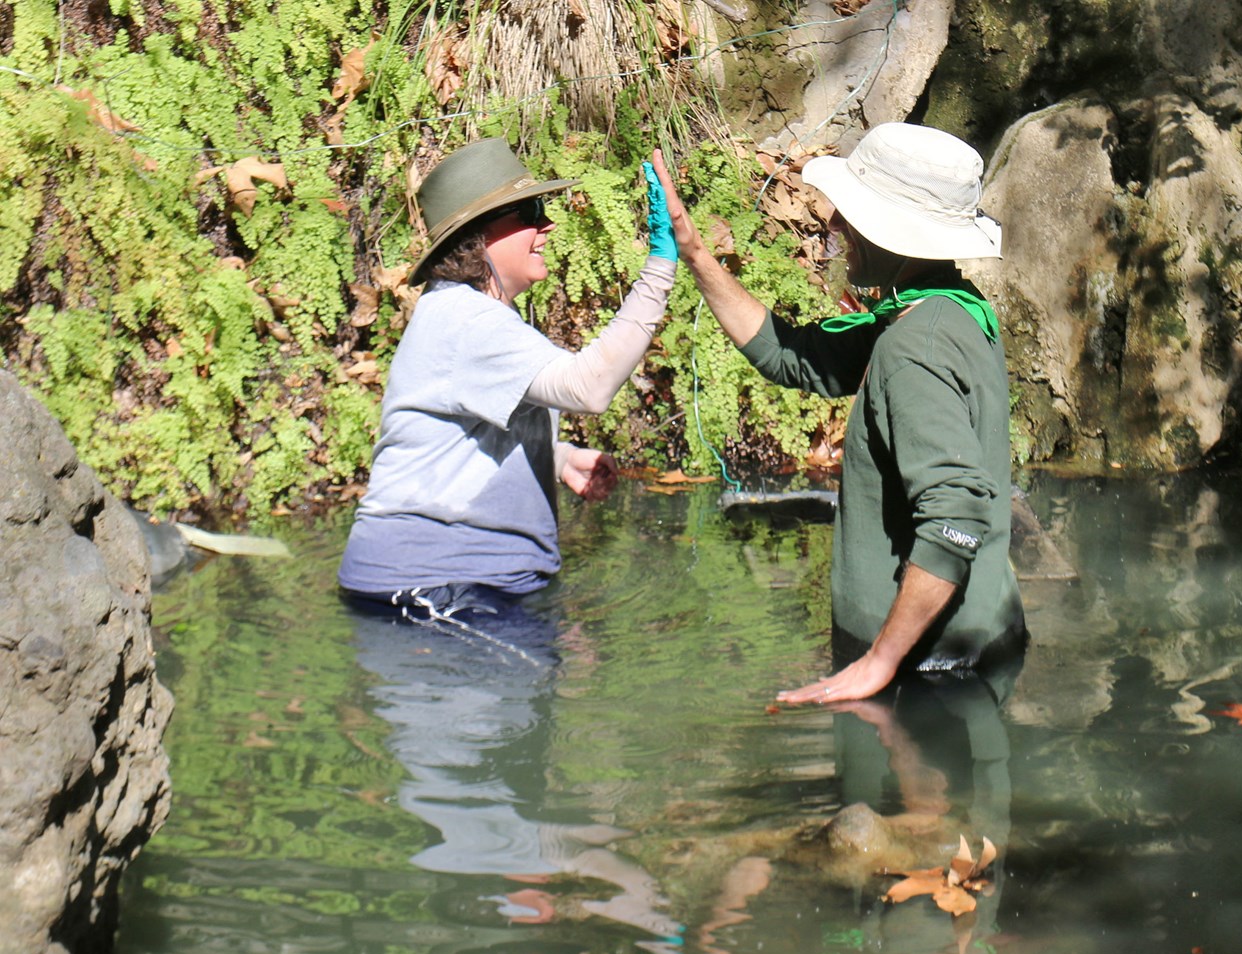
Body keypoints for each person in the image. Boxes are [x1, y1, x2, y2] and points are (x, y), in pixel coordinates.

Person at [651, 122, 1026, 703]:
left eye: (848, 214)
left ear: (890, 234)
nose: (833, 226)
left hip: (925, 676)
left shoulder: (912, 349)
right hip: (977, 643)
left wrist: (880, 661)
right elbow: (791, 357)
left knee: (915, 802)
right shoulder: (949, 309)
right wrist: (695, 253)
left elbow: (955, 517)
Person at [339, 138, 677, 617]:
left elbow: (461, 438)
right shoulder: (467, 320)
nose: (547, 225)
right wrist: (662, 263)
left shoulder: (473, 315)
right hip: (432, 590)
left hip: (448, 589)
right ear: (477, 239)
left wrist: (555, 458)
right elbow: (590, 386)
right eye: (528, 213)